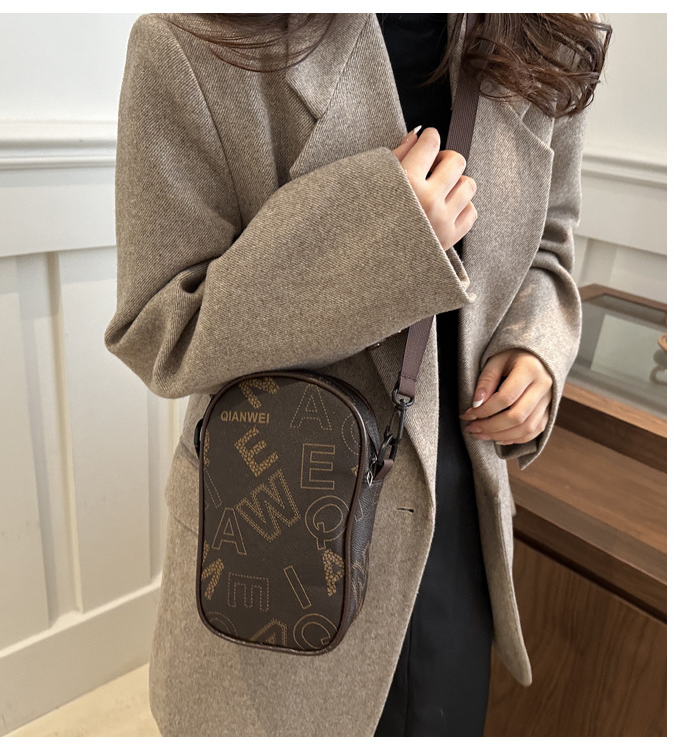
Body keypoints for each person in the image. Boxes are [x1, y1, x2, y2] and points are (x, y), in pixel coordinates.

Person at [104, 12, 611, 737]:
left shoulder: (547, 34)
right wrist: (378, 231)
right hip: (275, 530)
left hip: (457, 528)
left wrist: (536, 349)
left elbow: (549, 245)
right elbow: (162, 329)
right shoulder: (197, 42)